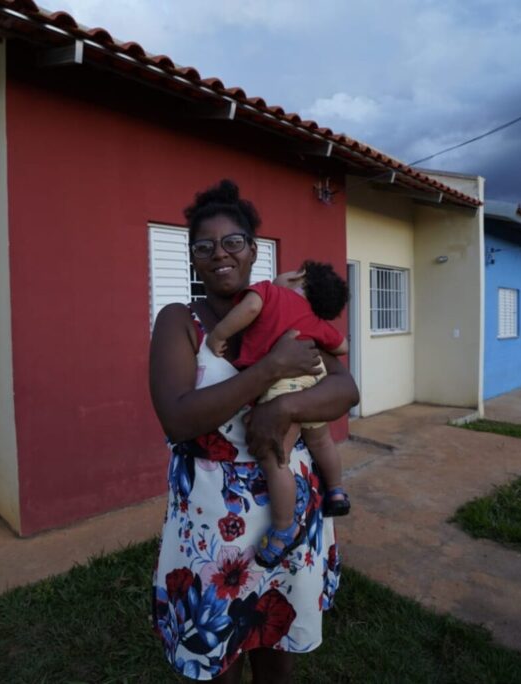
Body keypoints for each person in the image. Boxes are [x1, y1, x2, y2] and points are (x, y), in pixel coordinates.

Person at [149, 179, 359, 682]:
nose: (219, 253)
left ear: (253, 250)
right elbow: (178, 419)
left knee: (276, 642)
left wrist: (281, 408)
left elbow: (345, 388)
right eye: (204, 246)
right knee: (216, 656)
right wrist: (268, 372)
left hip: (286, 511)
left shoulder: (287, 309)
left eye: (232, 242)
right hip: (211, 516)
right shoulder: (180, 321)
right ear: (193, 258)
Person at [204, 261, 351, 569]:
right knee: (322, 440)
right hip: (313, 378)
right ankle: (337, 490)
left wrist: (218, 335)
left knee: (276, 459)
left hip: (282, 384)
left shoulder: (269, 292)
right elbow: (342, 346)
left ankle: (285, 527)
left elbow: (249, 309)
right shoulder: (315, 319)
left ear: (298, 277)